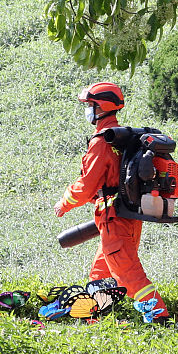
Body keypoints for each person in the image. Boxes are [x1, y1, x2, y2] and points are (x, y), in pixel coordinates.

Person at [55, 82, 168, 319]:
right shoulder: (122, 137)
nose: (87, 110)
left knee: (129, 276)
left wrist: (64, 202)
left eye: (90, 105)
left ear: (101, 107)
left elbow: (87, 185)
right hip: (125, 216)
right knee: (100, 275)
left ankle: (161, 318)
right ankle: (94, 318)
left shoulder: (101, 141)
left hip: (114, 220)